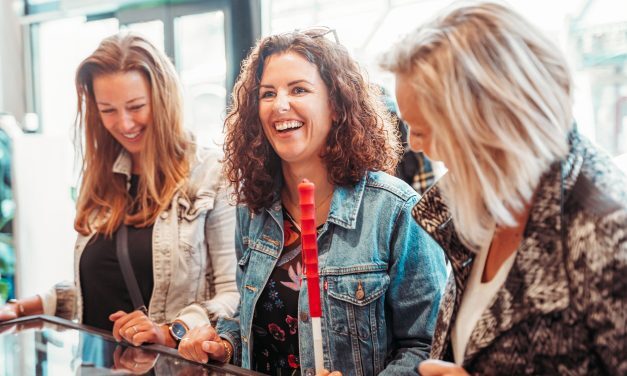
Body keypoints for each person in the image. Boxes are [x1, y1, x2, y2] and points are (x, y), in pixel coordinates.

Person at [176, 28, 447, 375]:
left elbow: (426, 347)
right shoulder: (253, 209)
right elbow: (249, 319)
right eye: (268, 93)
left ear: (336, 106)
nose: (281, 105)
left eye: (299, 89)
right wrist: (223, 343)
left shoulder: (394, 210)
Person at [381, 2, 627, 375]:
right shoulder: (485, 200)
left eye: (424, 129)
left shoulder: (606, 232)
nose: (413, 144)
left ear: (485, 122)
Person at [0, 32, 239, 352]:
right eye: (108, 109)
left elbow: (233, 293)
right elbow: (98, 287)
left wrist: (171, 331)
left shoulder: (210, 175)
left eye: (136, 106)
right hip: (96, 366)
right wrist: (20, 308)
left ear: (164, 100)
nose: (124, 123)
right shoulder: (103, 177)